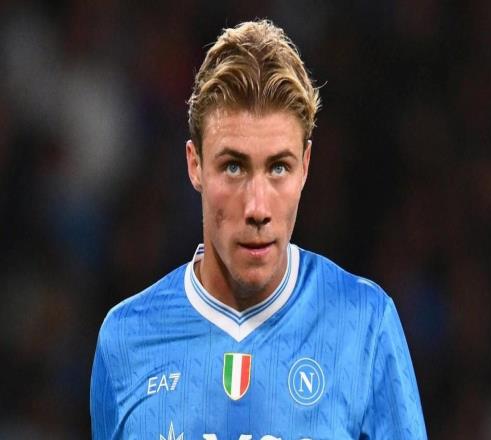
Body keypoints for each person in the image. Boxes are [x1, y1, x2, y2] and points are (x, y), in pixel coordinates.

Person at [90, 19, 427, 439]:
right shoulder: (126, 339)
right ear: (195, 165)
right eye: (233, 166)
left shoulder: (364, 324)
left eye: (279, 167)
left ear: (305, 167)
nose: (257, 208)